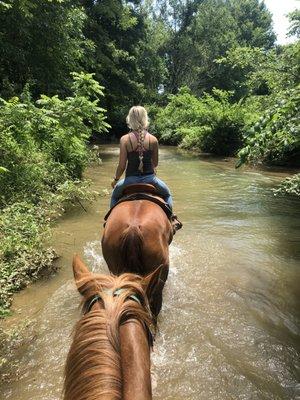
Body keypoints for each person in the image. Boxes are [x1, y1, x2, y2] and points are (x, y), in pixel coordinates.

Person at [110, 105, 182, 230]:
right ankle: (171, 220)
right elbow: (155, 164)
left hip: (129, 181)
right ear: (145, 119)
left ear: (130, 119)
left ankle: (109, 222)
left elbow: (122, 166)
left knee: (114, 196)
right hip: (150, 180)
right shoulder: (153, 140)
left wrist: (116, 180)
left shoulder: (125, 140)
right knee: (167, 194)